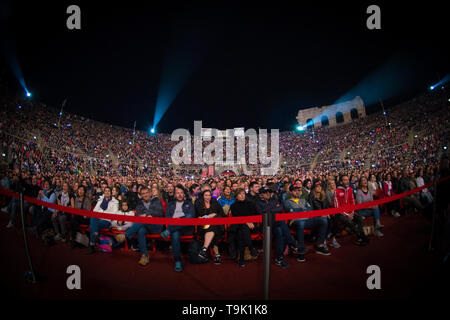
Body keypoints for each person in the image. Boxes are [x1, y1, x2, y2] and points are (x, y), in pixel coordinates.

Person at [117, 187, 164, 265]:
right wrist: (149, 215)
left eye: (146, 193)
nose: (145, 195)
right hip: (145, 226)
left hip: (156, 226)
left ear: (150, 193)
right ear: (141, 195)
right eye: (143, 194)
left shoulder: (157, 201)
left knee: (143, 221)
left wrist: (146, 214)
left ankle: (126, 235)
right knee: (141, 230)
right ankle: (144, 255)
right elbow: (138, 215)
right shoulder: (139, 204)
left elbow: (159, 212)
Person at [284, 184, 329, 263]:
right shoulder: (287, 201)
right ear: (291, 192)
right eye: (295, 191)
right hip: (295, 222)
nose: (297, 192)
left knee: (323, 220)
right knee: (301, 223)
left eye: (298, 190)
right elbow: (293, 213)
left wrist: (301, 211)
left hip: (307, 220)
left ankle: (320, 245)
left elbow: (310, 210)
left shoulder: (303, 200)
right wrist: (303, 210)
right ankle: (300, 249)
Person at [255, 186, 297, 268]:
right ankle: (292, 243)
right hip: (264, 225)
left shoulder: (274, 200)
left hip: (275, 224)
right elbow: (262, 214)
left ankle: (279, 258)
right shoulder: (257, 203)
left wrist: (269, 210)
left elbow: (280, 208)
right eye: (266, 192)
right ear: (261, 195)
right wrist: (273, 209)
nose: (268, 194)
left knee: (279, 231)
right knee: (280, 223)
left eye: (269, 192)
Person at [160, 185, 195, 272]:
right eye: (177, 193)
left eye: (181, 193)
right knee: (175, 234)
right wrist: (175, 222)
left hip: (186, 228)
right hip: (175, 228)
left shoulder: (189, 204)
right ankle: (178, 261)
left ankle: (168, 230)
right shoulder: (170, 204)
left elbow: (191, 217)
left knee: (189, 216)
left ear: (184, 195)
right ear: (175, 195)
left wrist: (179, 220)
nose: (179, 195)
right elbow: (167, 218)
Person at [333, 175, 370, 246]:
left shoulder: (350, 189)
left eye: (347, 180)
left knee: (359, 218)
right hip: (340, 213)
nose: (347, 181)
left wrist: (352, 213)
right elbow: (337, 207)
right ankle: (362, 237)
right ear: (341, 182)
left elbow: (352, 201)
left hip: (350, 212)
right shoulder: (336, 191)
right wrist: (347, 215)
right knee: (348, 221)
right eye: (345, 180)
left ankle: (361, 236)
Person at [228, 188, 259, 267]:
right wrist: (246, 222)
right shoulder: (233, 206)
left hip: (251, 225)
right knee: (241, 230)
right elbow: (238, 217)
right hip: (239, 225)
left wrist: (250, 222)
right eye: (240, 194)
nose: (242, 196)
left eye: (243, 194)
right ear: (236, 196)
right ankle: (251, 248)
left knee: (241, 231)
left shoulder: (250, 203)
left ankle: (241, 259)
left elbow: (255, 214)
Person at [195, 190, 225, 264]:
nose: (208, 197)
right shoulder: (199, 204)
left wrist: (213, 216)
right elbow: (196, 216)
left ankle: (204, 249)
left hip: (217, 226)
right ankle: (217, 255)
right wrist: (200, 217)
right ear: (203, 196)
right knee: (213, 231)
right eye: (206, 195)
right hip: (203, 227)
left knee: (213, 227)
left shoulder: (215, 203)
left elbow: (221, 214)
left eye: (209, 195)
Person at [86, 186, 119, 254]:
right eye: (105, 191)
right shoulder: (100, 200)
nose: (107, 192)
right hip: (97, 218)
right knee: (93, 218)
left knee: (92, 225)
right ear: (104, 192)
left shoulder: (115, 202)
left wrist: (104, 215)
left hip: (107, 220)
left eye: (108, 191)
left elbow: (114, 213)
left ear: (111, 193)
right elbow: (95, 210)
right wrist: (99, 215)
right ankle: (95, 236)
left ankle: (92, 244)